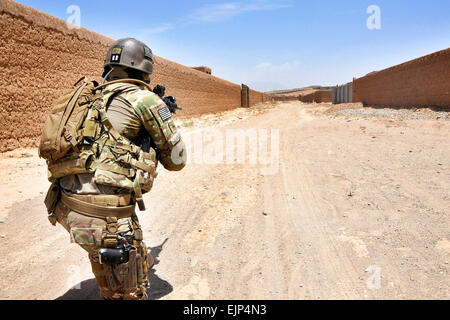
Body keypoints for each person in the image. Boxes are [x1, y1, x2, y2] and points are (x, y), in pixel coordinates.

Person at [48, 38, 186, 300]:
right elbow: (177, 161)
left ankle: (113, 276)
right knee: (129, 293)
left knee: (118, 257)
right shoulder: (145, 99)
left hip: (65, 206)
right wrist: (156, 125)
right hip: (104, 219)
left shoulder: (89, 99)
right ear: (145, 69)